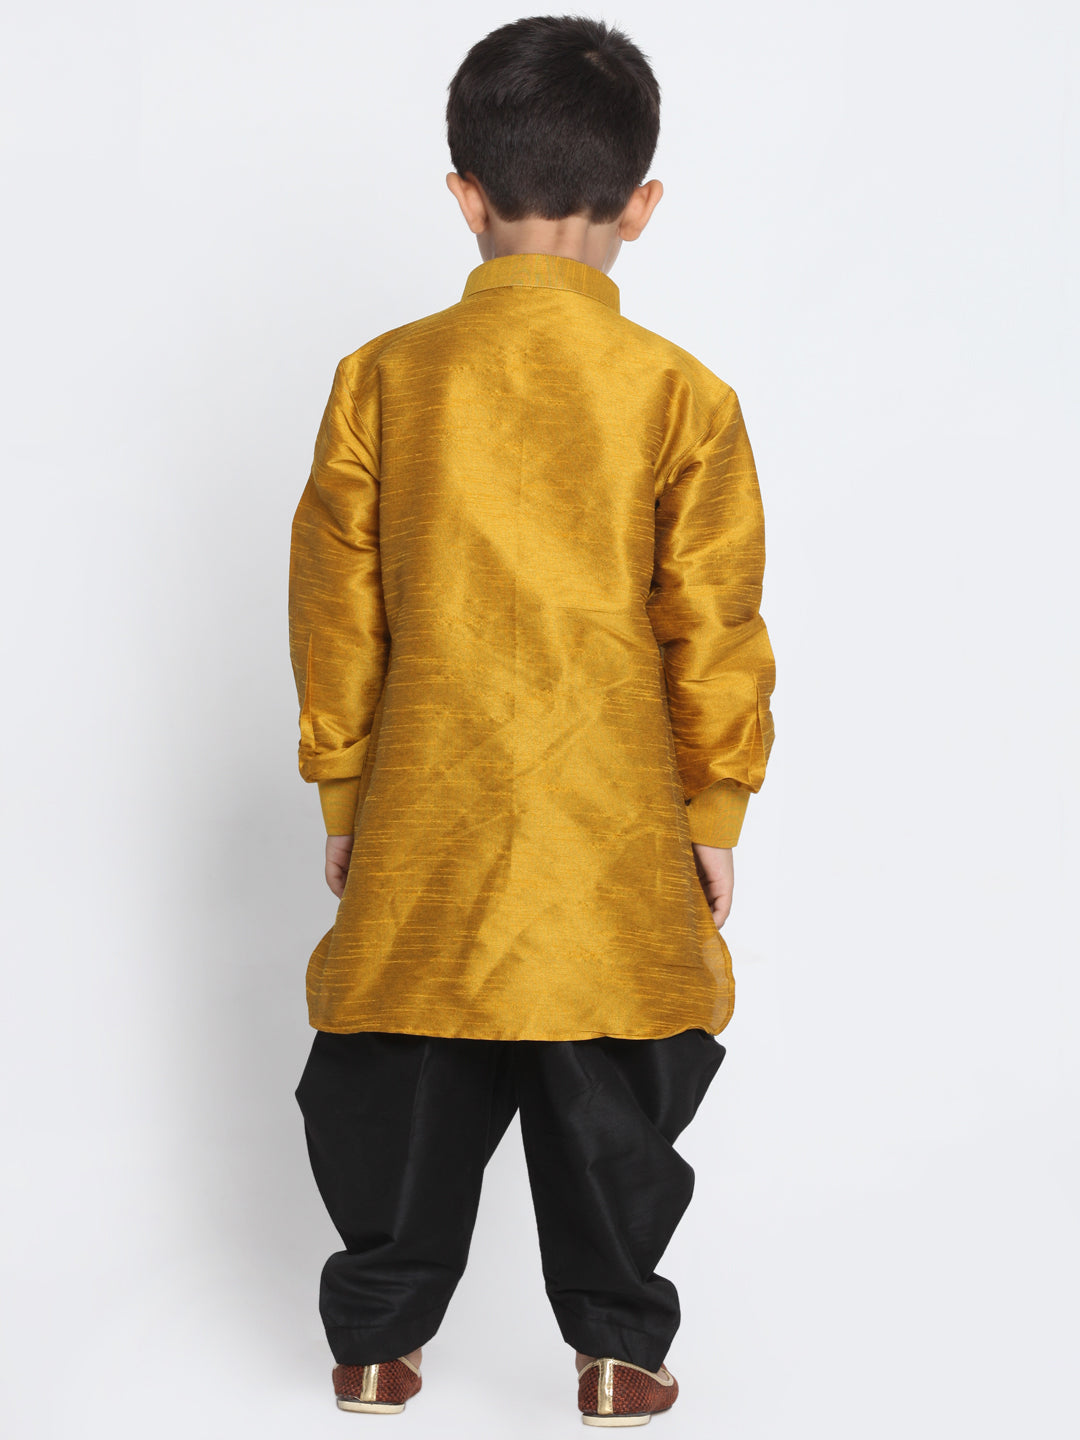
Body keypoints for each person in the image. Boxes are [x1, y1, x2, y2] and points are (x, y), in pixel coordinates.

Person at [287, 14, 776, 1425]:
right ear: (642, 203)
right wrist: (714, 811)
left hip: (425, 811)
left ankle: (376, 1348)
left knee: (401, 1067)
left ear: (465, 195)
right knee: (611, 1075)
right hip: (610, 821)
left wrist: (344, 794)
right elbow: (713, 624)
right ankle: (617, 1353)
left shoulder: (383, 378)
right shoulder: (683, 397)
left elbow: (335, 608)